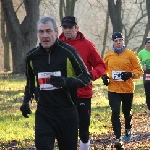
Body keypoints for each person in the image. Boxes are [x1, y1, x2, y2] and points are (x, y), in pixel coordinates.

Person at [20, 16, 92, 150]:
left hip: (67, 113)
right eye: (41, 32)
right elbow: (30, 83)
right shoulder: (32, 56)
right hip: (44, 113)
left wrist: (66, 82)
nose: (45, 35)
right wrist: (26, 101)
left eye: (48, 31)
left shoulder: (69, 52)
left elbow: (86, 77)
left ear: (56, 33)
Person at [59, 16, 106, 150]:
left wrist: (90, 75)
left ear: (76, 28)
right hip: (63, 93)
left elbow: (101, 65)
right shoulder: (57, 45)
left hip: (83, 93)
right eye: (65, 27)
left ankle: (85, 146)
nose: (67, 30)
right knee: (66, 129)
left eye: (70, 27)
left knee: (83, 129)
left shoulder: (87, 45)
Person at [101, 32, 143, 148]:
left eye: (120, 40)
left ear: (123, 41)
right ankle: (118, 138)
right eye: (116, 41)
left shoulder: (130, 55)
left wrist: (130, 74)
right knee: (115, 111)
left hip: (127, 89)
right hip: (113, 89)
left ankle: (128, 128)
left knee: (126, 112)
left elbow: (139, 71)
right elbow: (103, 69)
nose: (118, 42)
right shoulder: (109, 55)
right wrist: (105, 77)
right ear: (113, 43)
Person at [138, 37, 150, 116]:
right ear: (145, 43)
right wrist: (142, 67)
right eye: (148, 42)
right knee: (148, 90)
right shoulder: (141, 53)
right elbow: (137, 64)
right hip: (147, 73)